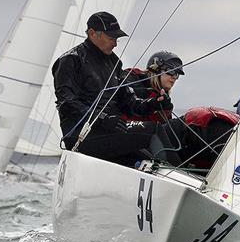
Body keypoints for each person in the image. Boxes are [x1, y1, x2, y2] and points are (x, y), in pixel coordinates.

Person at [51, 11, 178, 167]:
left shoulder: (114, 62)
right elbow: (67, 103)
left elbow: (128, 101)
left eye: (117, 38)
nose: (116, 43)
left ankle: (180, 180)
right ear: (92, 33)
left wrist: (151, 104)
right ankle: (189, 182)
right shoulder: (71, 60)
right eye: (111, 38)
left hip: (110, 132)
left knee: (148, 158)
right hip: (82, 137)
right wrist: (102, 118)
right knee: (154, 131)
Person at [122, 51, 183, 122]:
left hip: (146, 131)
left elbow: (164, 129)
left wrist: (166, 110)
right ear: (155, 69)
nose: (174, 77)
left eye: (177, 74)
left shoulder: (164, 101)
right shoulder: (132, 79)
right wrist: (152, 102)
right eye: (171, 71)